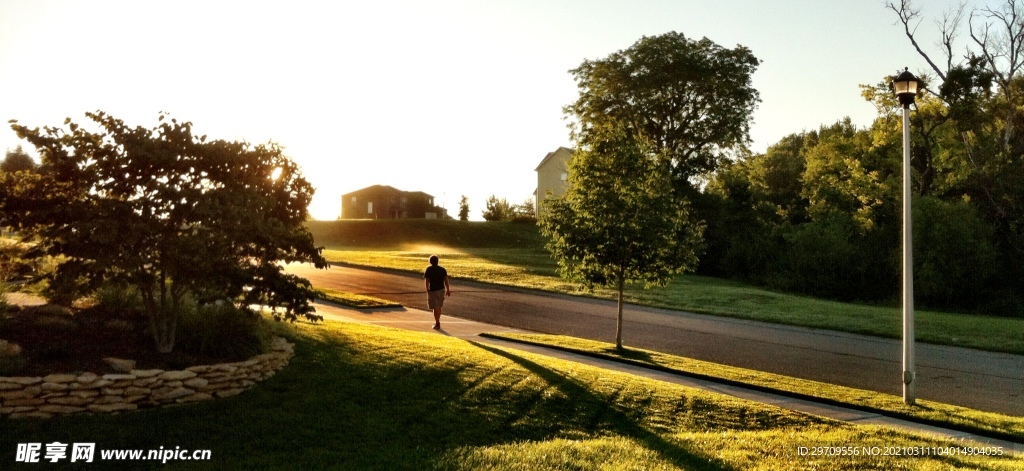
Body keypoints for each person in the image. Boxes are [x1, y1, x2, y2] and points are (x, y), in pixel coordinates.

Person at [423, 254, 451, 329]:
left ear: (430, 262)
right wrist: (448, 289)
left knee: (435, 307)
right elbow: (446, 280)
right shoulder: (442, 269)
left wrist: (427, 289)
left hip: (433, 290)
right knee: (439, 306)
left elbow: (427, 281)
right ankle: (438, 321)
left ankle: (437, 323)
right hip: (441, 289)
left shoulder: (429, 269)